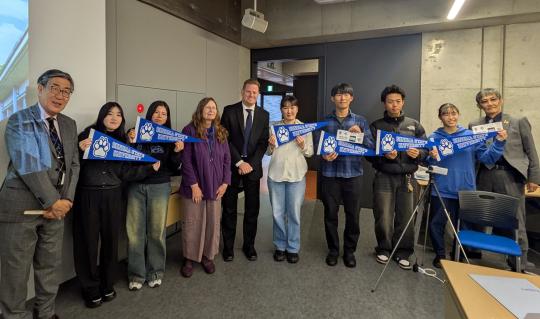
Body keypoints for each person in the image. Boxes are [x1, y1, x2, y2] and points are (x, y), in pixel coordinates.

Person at [0, 69, 79, 319]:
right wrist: (54, 201)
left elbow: (74, 164)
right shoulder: (19, 120)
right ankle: (12, 315)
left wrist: (66, 200)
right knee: (15, 271)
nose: (60, 95)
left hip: (55, 212)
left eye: (66, 91)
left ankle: (45, 313)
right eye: (55, 88)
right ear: (40, 88)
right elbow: (29, 164)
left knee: (49, 267)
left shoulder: (68, 124)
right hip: (20, 209)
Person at [75, 102, 160, 308]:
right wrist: (80, 150)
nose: (114, 117)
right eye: (110, 113)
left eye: (119, 114)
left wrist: (150, 169)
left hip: (113, 195)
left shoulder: (123, 141)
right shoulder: (87, 135)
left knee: (111, 243)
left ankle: (107, 284)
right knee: (87, 243)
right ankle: (90, 288)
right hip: (89, 195)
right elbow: (73, 166)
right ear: (102, 115)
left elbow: (126, 173)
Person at [427, 103, 507, 268]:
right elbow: (428, 162)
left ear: (459, 114)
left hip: (465, 189)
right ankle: (440, 255)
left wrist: (498, 143)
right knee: (436, 223)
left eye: (454, 113)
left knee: (464, 226)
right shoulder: (434, 137)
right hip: (441, 189)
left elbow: (486, 158)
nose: (451, 117)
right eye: (446, 114)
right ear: (440, 117)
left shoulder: (471, 136)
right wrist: (431, 157)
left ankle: (459, 254)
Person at [469, 88, 540, 271]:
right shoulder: (474, 125)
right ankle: (474, 251)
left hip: (509, 175)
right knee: (479, 215)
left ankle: (519, 261)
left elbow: (531, 151)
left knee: (516, 219)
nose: (489, 103)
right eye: (484, 101)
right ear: (479, 105)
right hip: (484, 174)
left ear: (500, 100)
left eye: (493, 99)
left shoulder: (517, 121)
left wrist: (534, 178)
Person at [368, 85, 427, 270]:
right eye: (390, 101)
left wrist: (418, 153)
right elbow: (368, 153)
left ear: (403, 102)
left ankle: (403, 251)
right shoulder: (377, 126)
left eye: (398, 101)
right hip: (384, 176)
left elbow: (426, 149)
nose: (394, 105)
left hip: (408, 178)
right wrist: (383, 156)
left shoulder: (414, 124)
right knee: (383, 215)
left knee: (407, 215)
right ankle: (384, 248)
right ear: (384, 103)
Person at [126, 101, 184, 290]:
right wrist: (130, 140)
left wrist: (177, 152)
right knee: (135, 233)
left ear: (167, 118)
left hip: (159, 186)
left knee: (156, 232)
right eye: (156, 112)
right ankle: (136, 274)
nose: (160, 116)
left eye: (164, 113)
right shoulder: (136, 132)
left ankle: (156, 271)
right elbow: (129, 160)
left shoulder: (170, 137)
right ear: (150, 114)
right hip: (136, 186)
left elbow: (174, 168)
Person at [320, 83, 374, 268]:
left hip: (353, 174)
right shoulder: (325, 121)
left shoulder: (360, 121)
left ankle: (349, 251)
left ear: (352, 98)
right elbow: (320, 148)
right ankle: (333, 250)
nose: (342, 98)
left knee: (353, 215)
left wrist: (361, 136)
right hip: (330, 174)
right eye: (338, 95)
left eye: (346, 95)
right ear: (332, 98)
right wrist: (324, 154)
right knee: (330, 215)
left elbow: (370, 147)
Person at [179, 97, 231, 277]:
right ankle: (190, 258)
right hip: (195, 186)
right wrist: (194, 185)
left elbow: (227, 160)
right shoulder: (189, 130)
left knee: (212, 222)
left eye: (214, 108)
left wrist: (225, 183)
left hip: (215, 186)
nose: (211, 110)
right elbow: (185, 160)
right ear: (200, 109)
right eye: (207, 107)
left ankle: (207, 256)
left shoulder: (221, 132)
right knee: (193, 223)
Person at [220, 79, 269, 262]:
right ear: (242, 92)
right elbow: (224, 139)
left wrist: (251, 163)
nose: (251, 95)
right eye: (248, 92)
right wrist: (239, 162)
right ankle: (228, 247)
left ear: (258, 94)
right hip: (232, 166)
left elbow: (263, 142)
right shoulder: (229, 111)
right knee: (229, 209)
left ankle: (249, 246)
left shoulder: (264, 115)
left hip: (253, 168)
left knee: (252, 209)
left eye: (254, 92)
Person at [267, 95, 314, 263]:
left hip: (296, 175)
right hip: (275, 174)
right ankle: (280, 246)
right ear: (281, 110)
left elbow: (310, 152)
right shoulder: (273, 127)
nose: (289, 110)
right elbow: (268, 152)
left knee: (294, 213)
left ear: (297, 109)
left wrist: (302, 145)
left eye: (292, 107)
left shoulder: (304, 128)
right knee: (277, 213)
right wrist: (271, 144)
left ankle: (293, 248)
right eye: (286, 107)